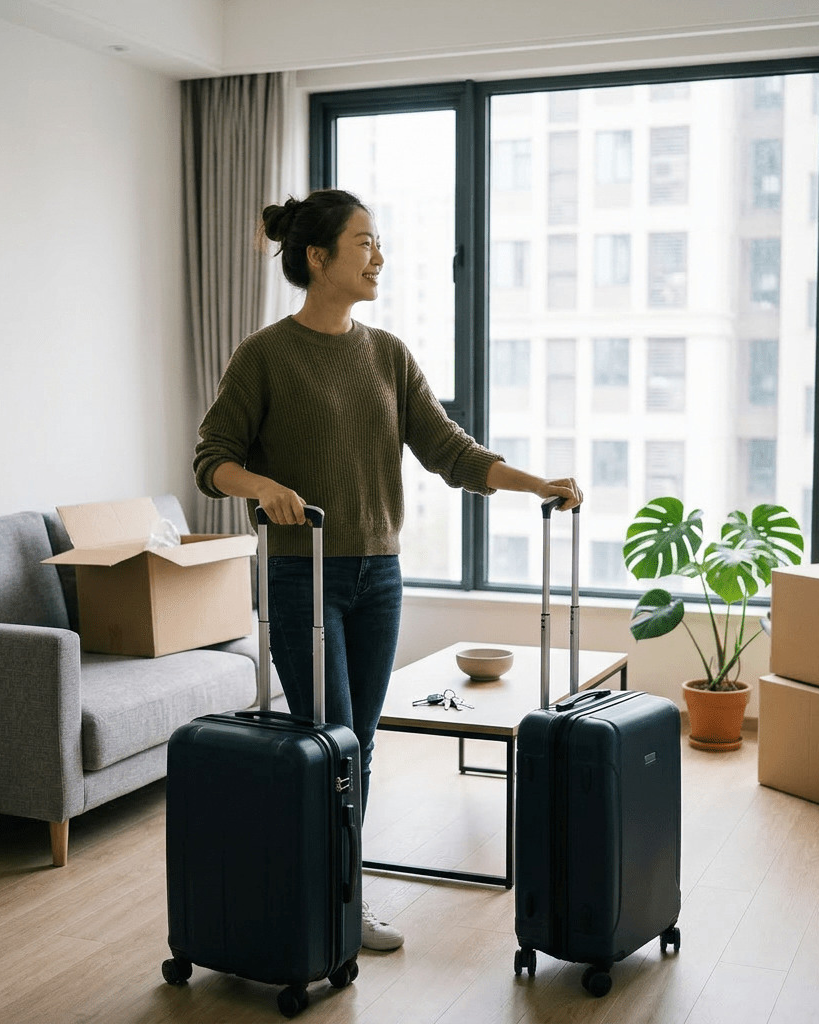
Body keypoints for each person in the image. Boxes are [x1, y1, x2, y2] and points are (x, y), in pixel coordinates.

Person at [194, 189, 582, 951]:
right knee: (330, 737)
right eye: (365, 243)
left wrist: (536, 483)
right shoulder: (264, 355)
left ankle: (340, 892)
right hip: (304, 579)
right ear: (318, 257)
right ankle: (315, 895)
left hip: (380, 579)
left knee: (359, 745)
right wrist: (264, 486)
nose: (380, 257)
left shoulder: (387, 354)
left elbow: (451, 453)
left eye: (378, 244)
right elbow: (213, 461)